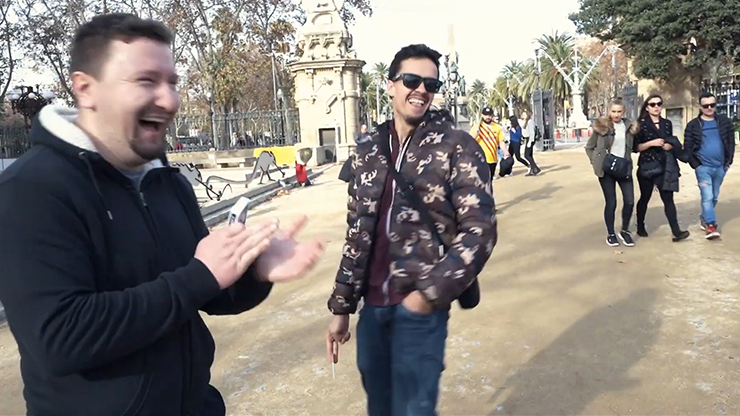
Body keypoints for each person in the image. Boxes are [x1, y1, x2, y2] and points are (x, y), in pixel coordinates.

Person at [0, 14, 324, 416]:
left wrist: (254, 270)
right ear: (85, 89)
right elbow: (60, 338)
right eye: (146, 81)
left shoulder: (165, 181)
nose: (169, 100)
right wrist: (200, 276)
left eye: (172, 82)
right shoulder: (31, 189)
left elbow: (207, 292)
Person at [325, 44, 497, 416]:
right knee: (380, 408)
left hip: (420, 311)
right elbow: (357, 233)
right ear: (390, 85)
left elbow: (479, 232)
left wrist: (426, 297)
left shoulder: (457, 146)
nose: (421, 90)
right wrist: (342, 306)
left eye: (430, 84)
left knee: (415, 410)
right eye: (411, 80)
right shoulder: (368, 149)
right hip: (372, 309)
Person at [634, 94, 690, 242]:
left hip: (664, 166)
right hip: (647, 166)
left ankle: (676, 231)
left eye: (659, 104)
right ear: (647, 107)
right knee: (645, 198)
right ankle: (640, 225)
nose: (656, 107)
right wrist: (651, 143)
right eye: (652, 104)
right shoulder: (641, 125)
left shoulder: (667, 123)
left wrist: (670, 145)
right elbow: (636, 147)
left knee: (668, 199)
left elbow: (670, 140)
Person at [586, 99, 638, 247]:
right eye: (613, 111)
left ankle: (625, 231)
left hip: (624, 167)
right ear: (609, 111)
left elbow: (634, 147)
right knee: (611, 202)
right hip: (606, 169)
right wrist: (596, 161)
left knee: (629, 201)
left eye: (619, 111)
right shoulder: (602, 127)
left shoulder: (630, 127)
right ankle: (611, 234)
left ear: (624, 112)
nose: (616, 114)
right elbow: (589, 147)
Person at [683, 92, 735, 239]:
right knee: (707, 196)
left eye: (712, 105)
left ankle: (704, 217)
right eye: (706, 106)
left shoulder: (724, 122)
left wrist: (728, 161)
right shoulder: (693, 125)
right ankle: (711, 226)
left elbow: (730, 142)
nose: (709, 108)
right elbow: (688, 147)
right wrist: (696, 165)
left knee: (714, 197)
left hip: (721, 167)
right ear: (700, 107)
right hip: (703, 168)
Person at [469, 106, 508, 178]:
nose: (488, 117)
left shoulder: (497, 127)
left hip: (493, 159)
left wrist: (506, 152)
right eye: (486, 115)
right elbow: (469, 141)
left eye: (489, 115)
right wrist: (476, 135)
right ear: (482, 115)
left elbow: (501, 142)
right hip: (480, 159)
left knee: (490, 180)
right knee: (482, 180)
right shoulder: (477, 127)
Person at [520, 111, 541, 176]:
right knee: (530, 155)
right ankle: (533, 170)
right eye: (523, 114)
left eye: (525, 114)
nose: (523, 115)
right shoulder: (525, 122)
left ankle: (535, 168)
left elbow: (532, 132)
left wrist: (530, 141)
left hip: (530, 139)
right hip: (527, 139)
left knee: (526, 155)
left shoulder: (530, 122)